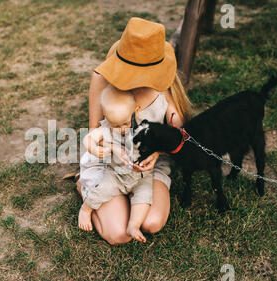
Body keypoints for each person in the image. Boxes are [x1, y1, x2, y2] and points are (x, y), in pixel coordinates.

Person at [77, 17, 192, 245]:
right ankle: (85, 186)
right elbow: (94, 134)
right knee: (119, 235)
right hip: (111, 164)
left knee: (152, 223)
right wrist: (109, 149)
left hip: (147, 169)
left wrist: (157, 154)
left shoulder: (164, 89)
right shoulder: (102, 79)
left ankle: (128, 198)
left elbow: (180, 139)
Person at [78, 84, 153, 243]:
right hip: (116, 176)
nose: (122, 129)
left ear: (136, 111)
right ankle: (86, 209)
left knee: (145, 195)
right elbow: (90, 138)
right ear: (107, 118)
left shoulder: (143, 126)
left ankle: (134, 225)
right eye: (116, 125)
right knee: (102, 189)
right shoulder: (107, 129)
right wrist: (100, 145)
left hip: (141, 175)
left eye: (125, 123)